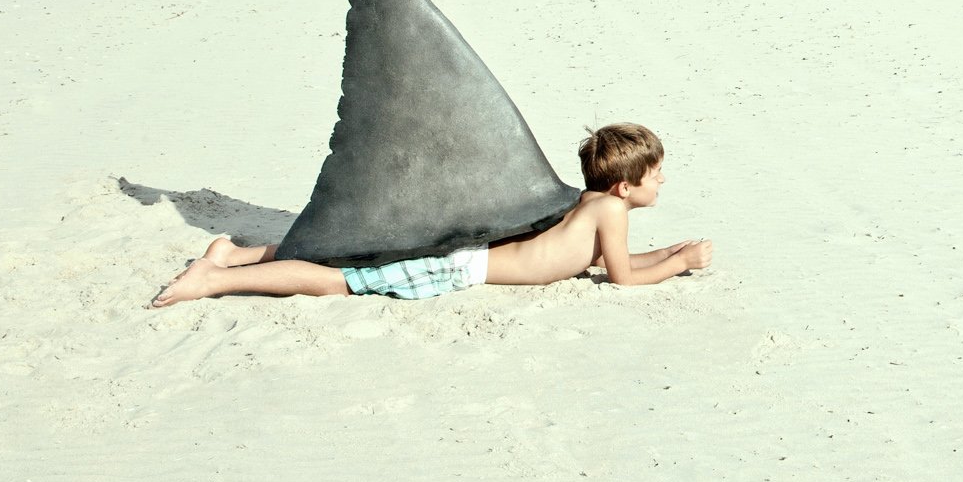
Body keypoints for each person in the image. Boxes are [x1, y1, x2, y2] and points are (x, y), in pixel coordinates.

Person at [149, 122, 714, 308]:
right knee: (343, 280)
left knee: (360, 255)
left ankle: (235, 252)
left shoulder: (594, 204)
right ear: (624, 185)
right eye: (656, 172)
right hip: (460, 270)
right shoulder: (612, 213)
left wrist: (665, 253)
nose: (662, 179)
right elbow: (619, 278)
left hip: (470, 257)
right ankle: (215, 280)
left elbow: (606, 264)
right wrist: (679, 262)